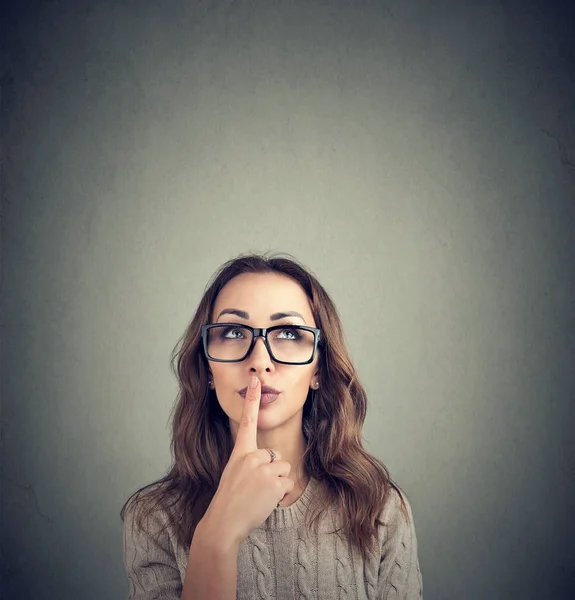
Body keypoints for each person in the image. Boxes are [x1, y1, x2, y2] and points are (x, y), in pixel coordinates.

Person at [121, 252, 423, 599]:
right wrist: (217, 537)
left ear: (318, 370)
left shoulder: (378, 509)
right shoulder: (153, 519)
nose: (260, 361)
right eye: (234, 331)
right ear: (206, 369)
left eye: (290, 334)